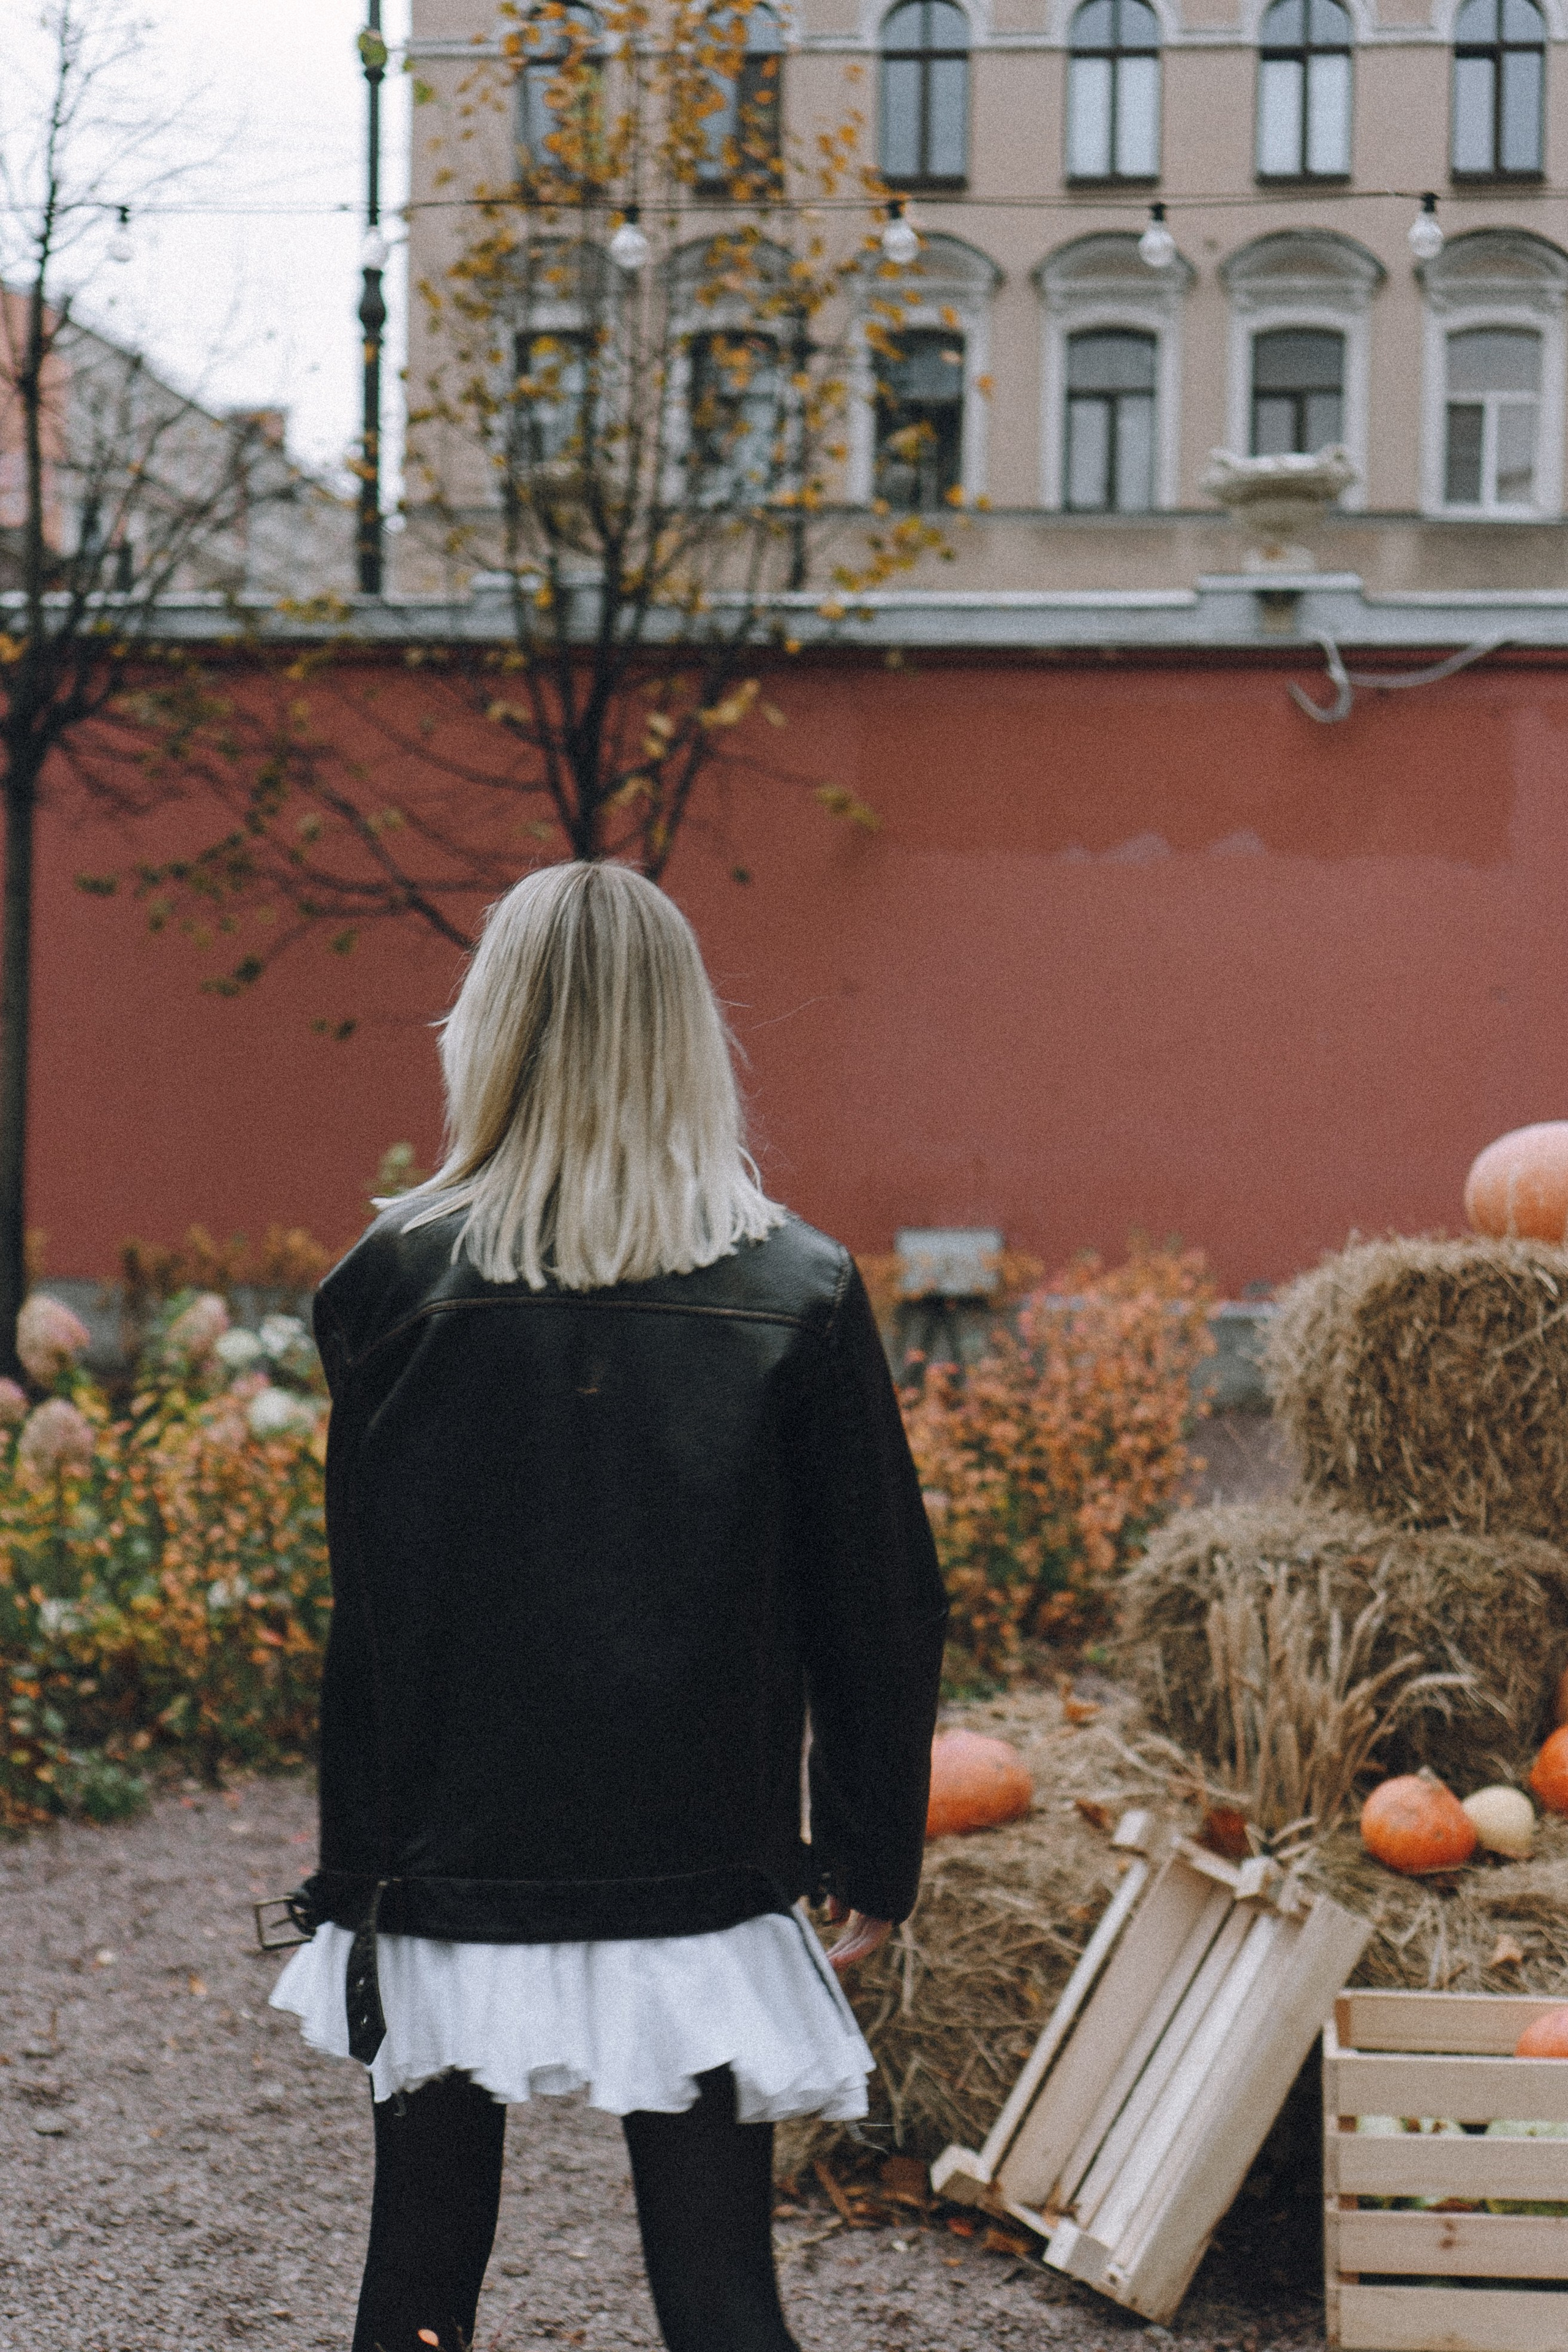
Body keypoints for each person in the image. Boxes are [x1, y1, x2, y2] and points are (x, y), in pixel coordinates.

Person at [270, 859, 948, 2352]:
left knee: (419, 2285)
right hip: (692, 1865)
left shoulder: (387, 1289)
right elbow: (881, 1607)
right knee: (719, 2300)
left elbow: (376, 1614)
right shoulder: (798, 1293)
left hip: (446, 1858)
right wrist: (869, 1855)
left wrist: (363, 1873)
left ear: (492, 1030)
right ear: (685, 1037)